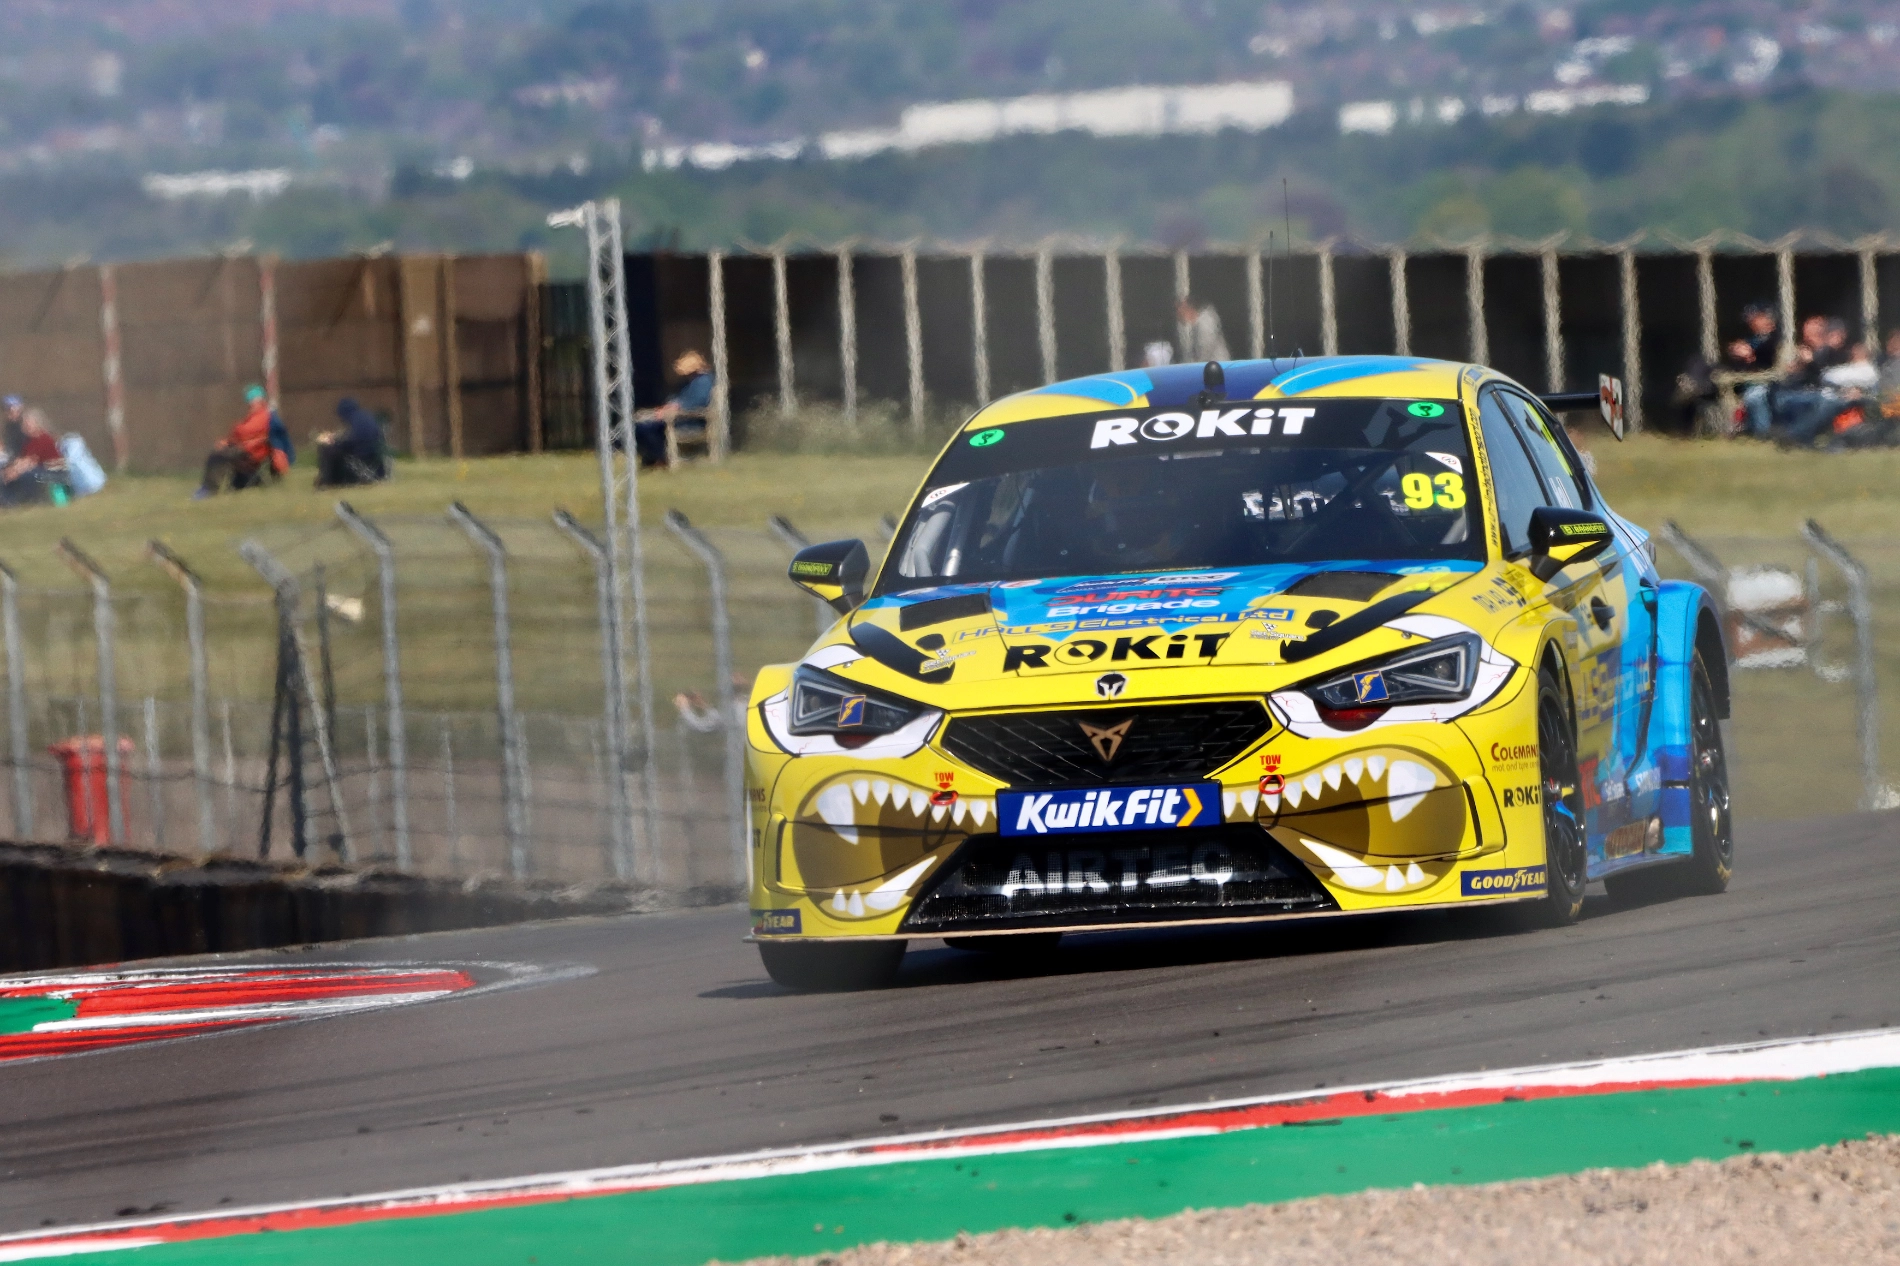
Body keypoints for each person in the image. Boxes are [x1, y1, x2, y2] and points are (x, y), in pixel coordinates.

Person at [195, 385, 288, 498]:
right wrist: (228, 441)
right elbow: (241, 433)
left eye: (253, 400)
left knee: (216, 456)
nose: (251, 403)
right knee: (222, 453)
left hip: (251, 453)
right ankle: (250, 481)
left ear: (260, 400)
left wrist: (232, 437)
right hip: (246, 450)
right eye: (250, 400)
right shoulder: (254, 415)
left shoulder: (264, 415)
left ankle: (209, 489)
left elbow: (245, 431)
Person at [632, 350, 714, 468]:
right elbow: (677, 398)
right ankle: (654, 457)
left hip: (690, 421)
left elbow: (696, 403)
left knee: (647, 427)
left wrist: (673, 409)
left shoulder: (704, 382)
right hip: (679, 417)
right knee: (642, 424)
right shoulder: (689, 382)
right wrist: (668, 406)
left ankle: (660, 458)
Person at [314, 398, 388, 489]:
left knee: (327, 449)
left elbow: (353, 442)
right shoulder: (365, 417)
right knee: (332, 448)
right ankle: (328, 480)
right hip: (376, 464)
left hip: (364, 463)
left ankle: (327, 481)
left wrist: (334, 442)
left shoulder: (357, 421)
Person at [0, 407, 65, 506]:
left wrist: (16, 471)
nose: (25, 426)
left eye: (28, 423)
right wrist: (11, 469)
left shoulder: (44, 438)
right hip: (38, 469)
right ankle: (8, 502)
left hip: (53, 473)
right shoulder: (29, 442)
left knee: (26, 475)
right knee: (4, 473)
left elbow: (32, 462)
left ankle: (31, 500)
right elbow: (24, 459)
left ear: (36, 424)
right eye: (25, 424)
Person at [1176, 295, 1230, 363]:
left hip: (1217, 365)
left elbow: (1205, 349)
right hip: (1205, 365)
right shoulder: (1194, 326)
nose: (1178, 314)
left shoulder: (1206, 322)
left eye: (1180, 309)